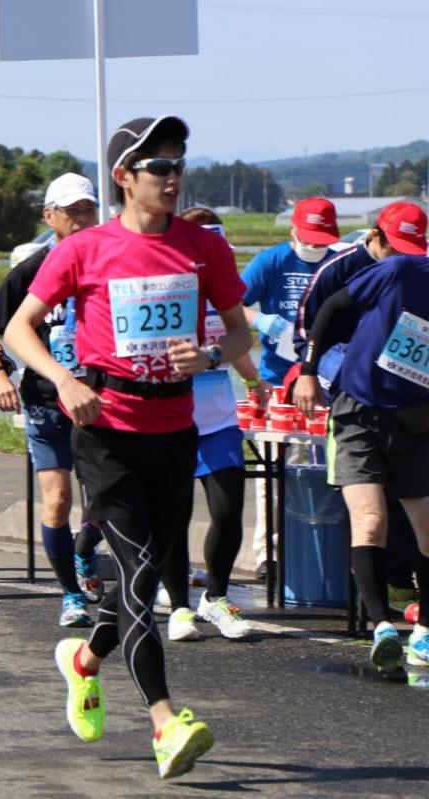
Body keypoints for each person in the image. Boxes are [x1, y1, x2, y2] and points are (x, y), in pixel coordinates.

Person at [4, 116, 251, 779]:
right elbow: (18, 329)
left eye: (178, 166)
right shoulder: (84, 248)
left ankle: (84, 661)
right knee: (141, 572)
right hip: (105, 433)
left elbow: (239, 334)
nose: (172, 178)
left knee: (141, 576)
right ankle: (165, 722)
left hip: (174, 432)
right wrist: (63, 380)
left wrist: (210, 356)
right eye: (158, 167)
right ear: (124, 177)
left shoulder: (203, 247)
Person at [0, 173, 103, 625]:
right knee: (58, 499)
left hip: (99, 399)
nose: (82, 219)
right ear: (50, 216)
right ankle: (71, 595)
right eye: (71, 212)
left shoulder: (110, 261)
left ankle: (84, 551)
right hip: (46, 399)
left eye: (89, 210)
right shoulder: (34, 268)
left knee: (106, 500)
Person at [295, 253, 429, 670]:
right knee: (370, 520)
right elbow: (332, 306)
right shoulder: (401, 271)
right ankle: (382, 628)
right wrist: (308, 370)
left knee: (427, 531)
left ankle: (424, 631)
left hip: (416, 421)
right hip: (357, 408)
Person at [158, 207, 270, 642]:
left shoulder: (223, 293)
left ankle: (216, 598)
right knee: (174, 517)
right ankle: (179, 607)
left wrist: (254, 381)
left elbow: (236, 342)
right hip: (170, 419)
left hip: (219, 419)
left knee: (227, 511)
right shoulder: (165, 288)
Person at [241, 197, 339, 578]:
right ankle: (269, 553)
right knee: (272, 469)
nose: (314, 246)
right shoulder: (271, 261)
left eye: (321, 240)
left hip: (324, 381)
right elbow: (232, 305)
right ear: (293, 229)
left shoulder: (340, 263)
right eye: (308, 237)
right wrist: (259, 320)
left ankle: (325, 551)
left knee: (325, 466)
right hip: (275, 379)